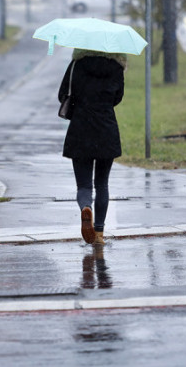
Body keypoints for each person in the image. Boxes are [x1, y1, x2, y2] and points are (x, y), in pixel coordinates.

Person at [58, 48, 126, 245]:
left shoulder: (76, 65)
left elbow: (63, 93)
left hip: (80, 128)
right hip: (106, 129)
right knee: (102, 184)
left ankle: (86, 208)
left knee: (84, 185)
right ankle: (99, 233)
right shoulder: (116, 68)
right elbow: (117, 98)